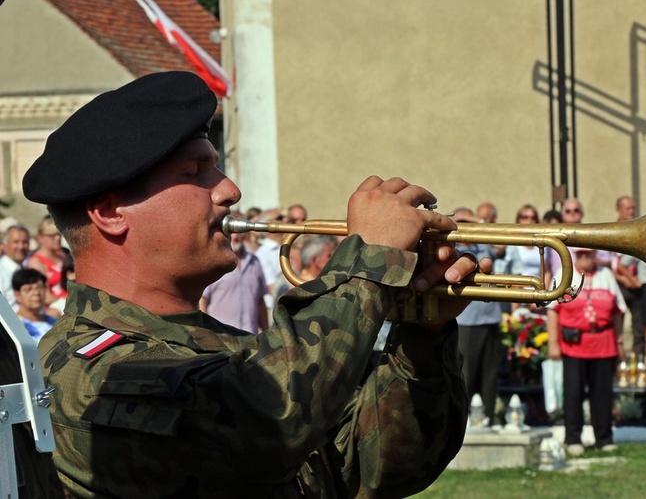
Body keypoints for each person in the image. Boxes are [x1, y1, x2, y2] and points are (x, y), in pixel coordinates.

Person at [23, 71, 486, 497]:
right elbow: (268, 423)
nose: (228, 190)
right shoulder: (81, 373)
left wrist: (420, 339)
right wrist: (367, 264)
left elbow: (376, 466)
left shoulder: (227, 348)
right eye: (193, 173)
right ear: (109, 213)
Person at [547, 247, 626, 457]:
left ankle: (604, 438)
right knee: (573, 394)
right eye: (580, 254)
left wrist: (619, 342)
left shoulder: (606, 275)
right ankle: (573, 438)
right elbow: (553, 310)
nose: (584, 257)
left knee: (602, 395)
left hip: (603, 343)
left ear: (594, 255)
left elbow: (618, 311)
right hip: (574, 345)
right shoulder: (564, 275)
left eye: (588, 254)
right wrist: (553, 342)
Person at [453, 207, 504, 426]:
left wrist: (477, 221)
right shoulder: (452, 249)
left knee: (490, 375)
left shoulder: (482, 245)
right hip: (466, 321)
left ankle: (489, 419)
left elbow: (501, 245)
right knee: (466, 374)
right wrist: (456, 221)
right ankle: (462, 423)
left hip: (490, 318)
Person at [199, 211, 269, 333]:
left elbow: (260, 301)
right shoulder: (213, 263)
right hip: (221, 340)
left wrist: (266, 333)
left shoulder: (255, 261)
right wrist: (206, 334)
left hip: (251, 338)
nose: (235, 237)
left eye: (239, 232)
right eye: (231, 231)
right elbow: (203, 300)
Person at [611, 195, 645, 357]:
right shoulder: (610, 229)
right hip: (618, 281)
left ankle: (638, 359)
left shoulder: (638, 229)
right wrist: (622, 278)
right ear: (619, 209)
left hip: (636, 281)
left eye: (633, 208)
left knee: (639, 325)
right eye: (628, 208)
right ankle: (618, 361)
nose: (632, 211)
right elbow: (607, 260)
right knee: (618, 325)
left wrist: (636, 278)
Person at [25, 216, 68, 304]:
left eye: (59, 234)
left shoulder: (64, 255)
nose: (57, 238)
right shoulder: (36, 263)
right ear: (40, 237)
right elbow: (45, 297)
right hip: (56, 308)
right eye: (52, 235)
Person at [12, 268, 57, 343]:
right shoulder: (13, 326)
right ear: (17, 295)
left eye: (40, 287)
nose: (36, 293)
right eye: (28, 289)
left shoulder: (56, 323)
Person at [0, 224, 30, 308]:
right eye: (16, 242)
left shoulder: (27, 269)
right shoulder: (1, 272)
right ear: (5, 245)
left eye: (25, 242)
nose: (21, 247)